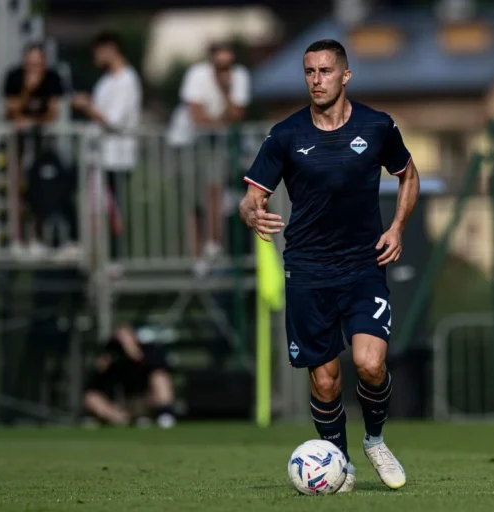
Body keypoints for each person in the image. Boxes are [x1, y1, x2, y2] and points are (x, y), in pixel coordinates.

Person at [238, 39, 419, 492]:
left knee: (370, 363)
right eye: (309, 72)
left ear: (345, 75)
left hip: (363, 264)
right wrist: (252, 212)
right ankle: (338, 462)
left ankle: (375, 440)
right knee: (325, 381)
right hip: (308, 268)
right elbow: (251, 198)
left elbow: (408, 175)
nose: (316, 80)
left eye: (324, 71)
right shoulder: (286, 134)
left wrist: (397, 227)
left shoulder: (378, 127)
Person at [168, 42, 251, 276]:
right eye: (220, 65)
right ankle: (197, 257)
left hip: (215, 142)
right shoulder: (196, 75)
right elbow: (197, 117)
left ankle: (212, 245)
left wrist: (226, 91)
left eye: (229, 65)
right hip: (185, 141)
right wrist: (222, 119)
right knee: (193, 200)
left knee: (214, 191)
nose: (225, 70)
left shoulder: (239, 77)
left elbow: (236, 115)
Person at [72, 30, 142, 261]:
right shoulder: (106, 80)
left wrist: (87, 107)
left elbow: (114, 121)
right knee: (96, 214)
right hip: (100, 158)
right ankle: (100, 260)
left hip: (117, 158)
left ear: (110, 49)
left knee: (113, 215)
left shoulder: (127, 79)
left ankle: (114, 263)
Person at [4, 43, 65, 258]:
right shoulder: (14, 77)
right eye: (30, 64)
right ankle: (17, 238)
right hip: (18, 143)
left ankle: (37, 237)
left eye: (38, 64)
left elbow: (53, 112)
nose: (34, 69)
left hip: (42, 143)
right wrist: (27, 91)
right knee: (17, 189)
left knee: (39, 189)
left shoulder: (52, 78)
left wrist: (32, 121)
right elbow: (11, 111)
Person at [83, 324, 176, 428]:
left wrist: (133, 353)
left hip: (144, 399)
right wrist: (102, 367)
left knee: (160, 377)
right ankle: (121, 419)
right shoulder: (112, 355)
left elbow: (157, 368)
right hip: (121, 404)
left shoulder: (148, 350)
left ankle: (165, 414)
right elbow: (94, 387)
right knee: (91, 398)